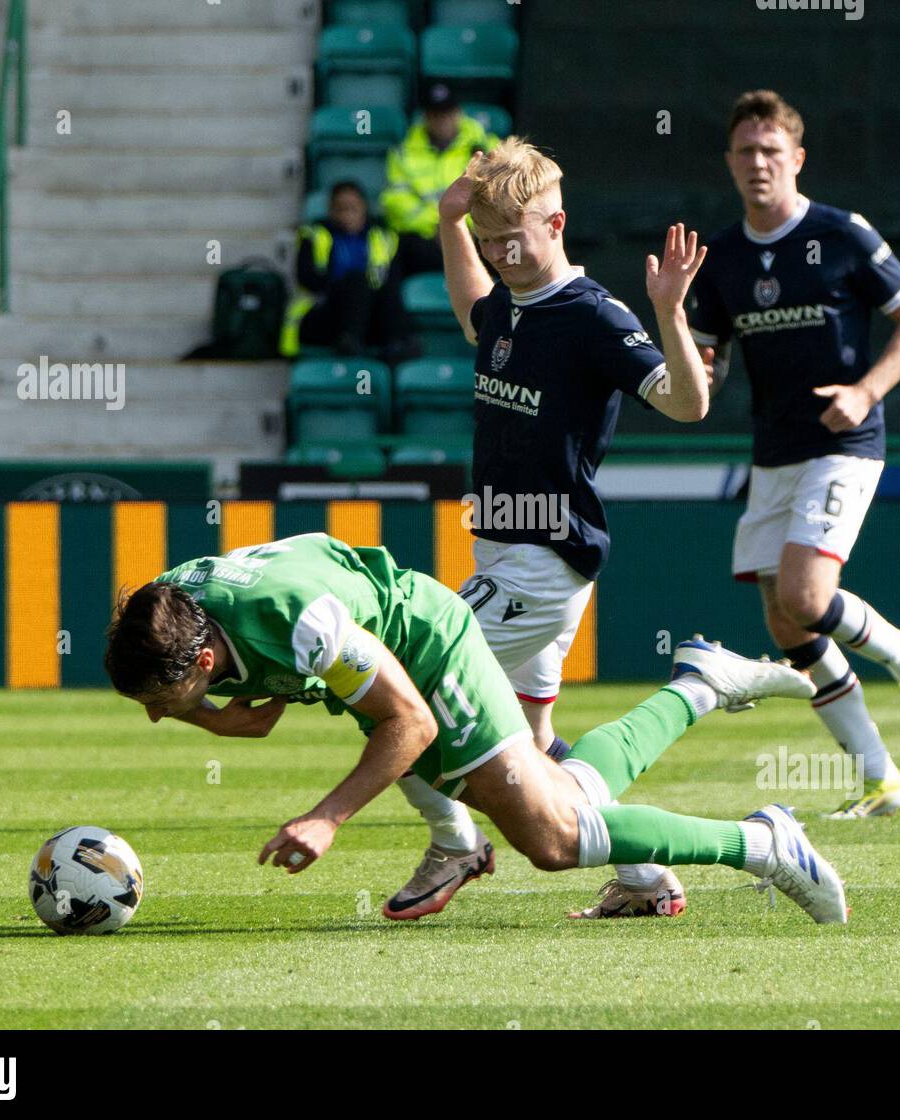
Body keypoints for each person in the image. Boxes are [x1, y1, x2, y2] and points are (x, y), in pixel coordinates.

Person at [103, 532, 848, 927]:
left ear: (203, 656)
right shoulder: (172, 606)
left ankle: (762, 844)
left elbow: (409, 723)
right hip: (373, 656)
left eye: (165, 698)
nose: (155, 715)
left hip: (429, 651)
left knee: (553, 840)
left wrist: (326, 819)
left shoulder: (297, 624)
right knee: (559, 794)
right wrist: (209, 713)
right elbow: (226, 700)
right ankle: (699, 682)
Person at [381, 136, 715, 921]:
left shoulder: (594, 314)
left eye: (514, 236)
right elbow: (472, 313)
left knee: (403, 691)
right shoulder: (509, 301)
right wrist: (450, 223)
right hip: (503, 547)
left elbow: (686, 404)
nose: (501, 252)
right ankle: (646, 878)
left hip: (542, 560)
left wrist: (670, 312)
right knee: (532, 748)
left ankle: (455, 842)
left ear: (557, 222)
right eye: (491, 239)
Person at [686, 90, 900, 819]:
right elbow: (712, 356)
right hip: (774, 451)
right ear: (730, 163)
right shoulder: (723, 257)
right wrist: (703, 371)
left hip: (844, 442)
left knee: (805, 595)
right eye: (746, 151)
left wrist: (866, 391)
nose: (759, 163)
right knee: (786, 623)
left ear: (797, 159)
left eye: (772, 151)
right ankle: (880, 777)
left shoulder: (842, 234)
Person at [279, 180, 411, 360]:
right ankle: (350, 342)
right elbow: (307, 279)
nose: (347, 215)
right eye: (341, 208)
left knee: (386, 292)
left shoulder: (383, 238)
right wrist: (347, 284)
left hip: (370, 312)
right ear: (331, 211)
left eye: (353, 208)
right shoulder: (315, 236)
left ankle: (396, 345)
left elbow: (391, 279)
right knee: (356, 281)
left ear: (364, 208)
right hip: (325, 312)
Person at [380, 82, 501, 276]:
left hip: (476, 233)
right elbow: (395, 203)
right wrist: (441, 224)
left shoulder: (486, 147)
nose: (442, 120)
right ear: (425, 116)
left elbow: (499, 195)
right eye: (435, 114)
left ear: (458, 113)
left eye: (447, 112)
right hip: (426, 237)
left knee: (503, 250)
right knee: (400, 256)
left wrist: (461, 225)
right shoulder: (403, 153)